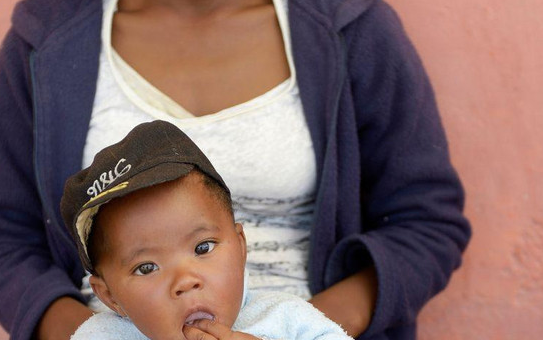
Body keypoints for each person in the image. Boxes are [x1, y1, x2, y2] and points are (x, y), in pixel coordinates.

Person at [0, 0, 472, 339]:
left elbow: (426, 224)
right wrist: (89, 335)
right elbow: (3, 241)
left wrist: (298, 330)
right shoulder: (49, 40)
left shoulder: (346, 26)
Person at [59, 120, 352, 340]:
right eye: (146, 267)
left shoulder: (288, 320)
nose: (185, 281)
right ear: (109, 296)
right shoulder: (100, 336)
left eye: (203, 248)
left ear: (240, 246)